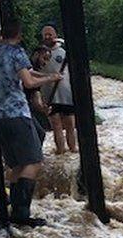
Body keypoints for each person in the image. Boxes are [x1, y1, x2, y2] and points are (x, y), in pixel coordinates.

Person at [0, 18, 62, 227]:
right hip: (17, 113)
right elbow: (28, 81)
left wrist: (47, 74)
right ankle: (22, 213)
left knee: (17, 163)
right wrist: (49, 80)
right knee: (34, 162)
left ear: (1, 35)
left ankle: (13, 207)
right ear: (19, 36)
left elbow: (27, 72)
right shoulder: (17, 52)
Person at [40, 24, 77, 154]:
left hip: (66, 93)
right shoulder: (39, 53)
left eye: (50, 33)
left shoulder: (64, 51)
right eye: (45, 34)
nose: (48, 36)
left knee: (70, 125)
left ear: (56, 35)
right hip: (49, 94)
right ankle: (60, 152)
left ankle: (73, 150)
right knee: (55, 125)